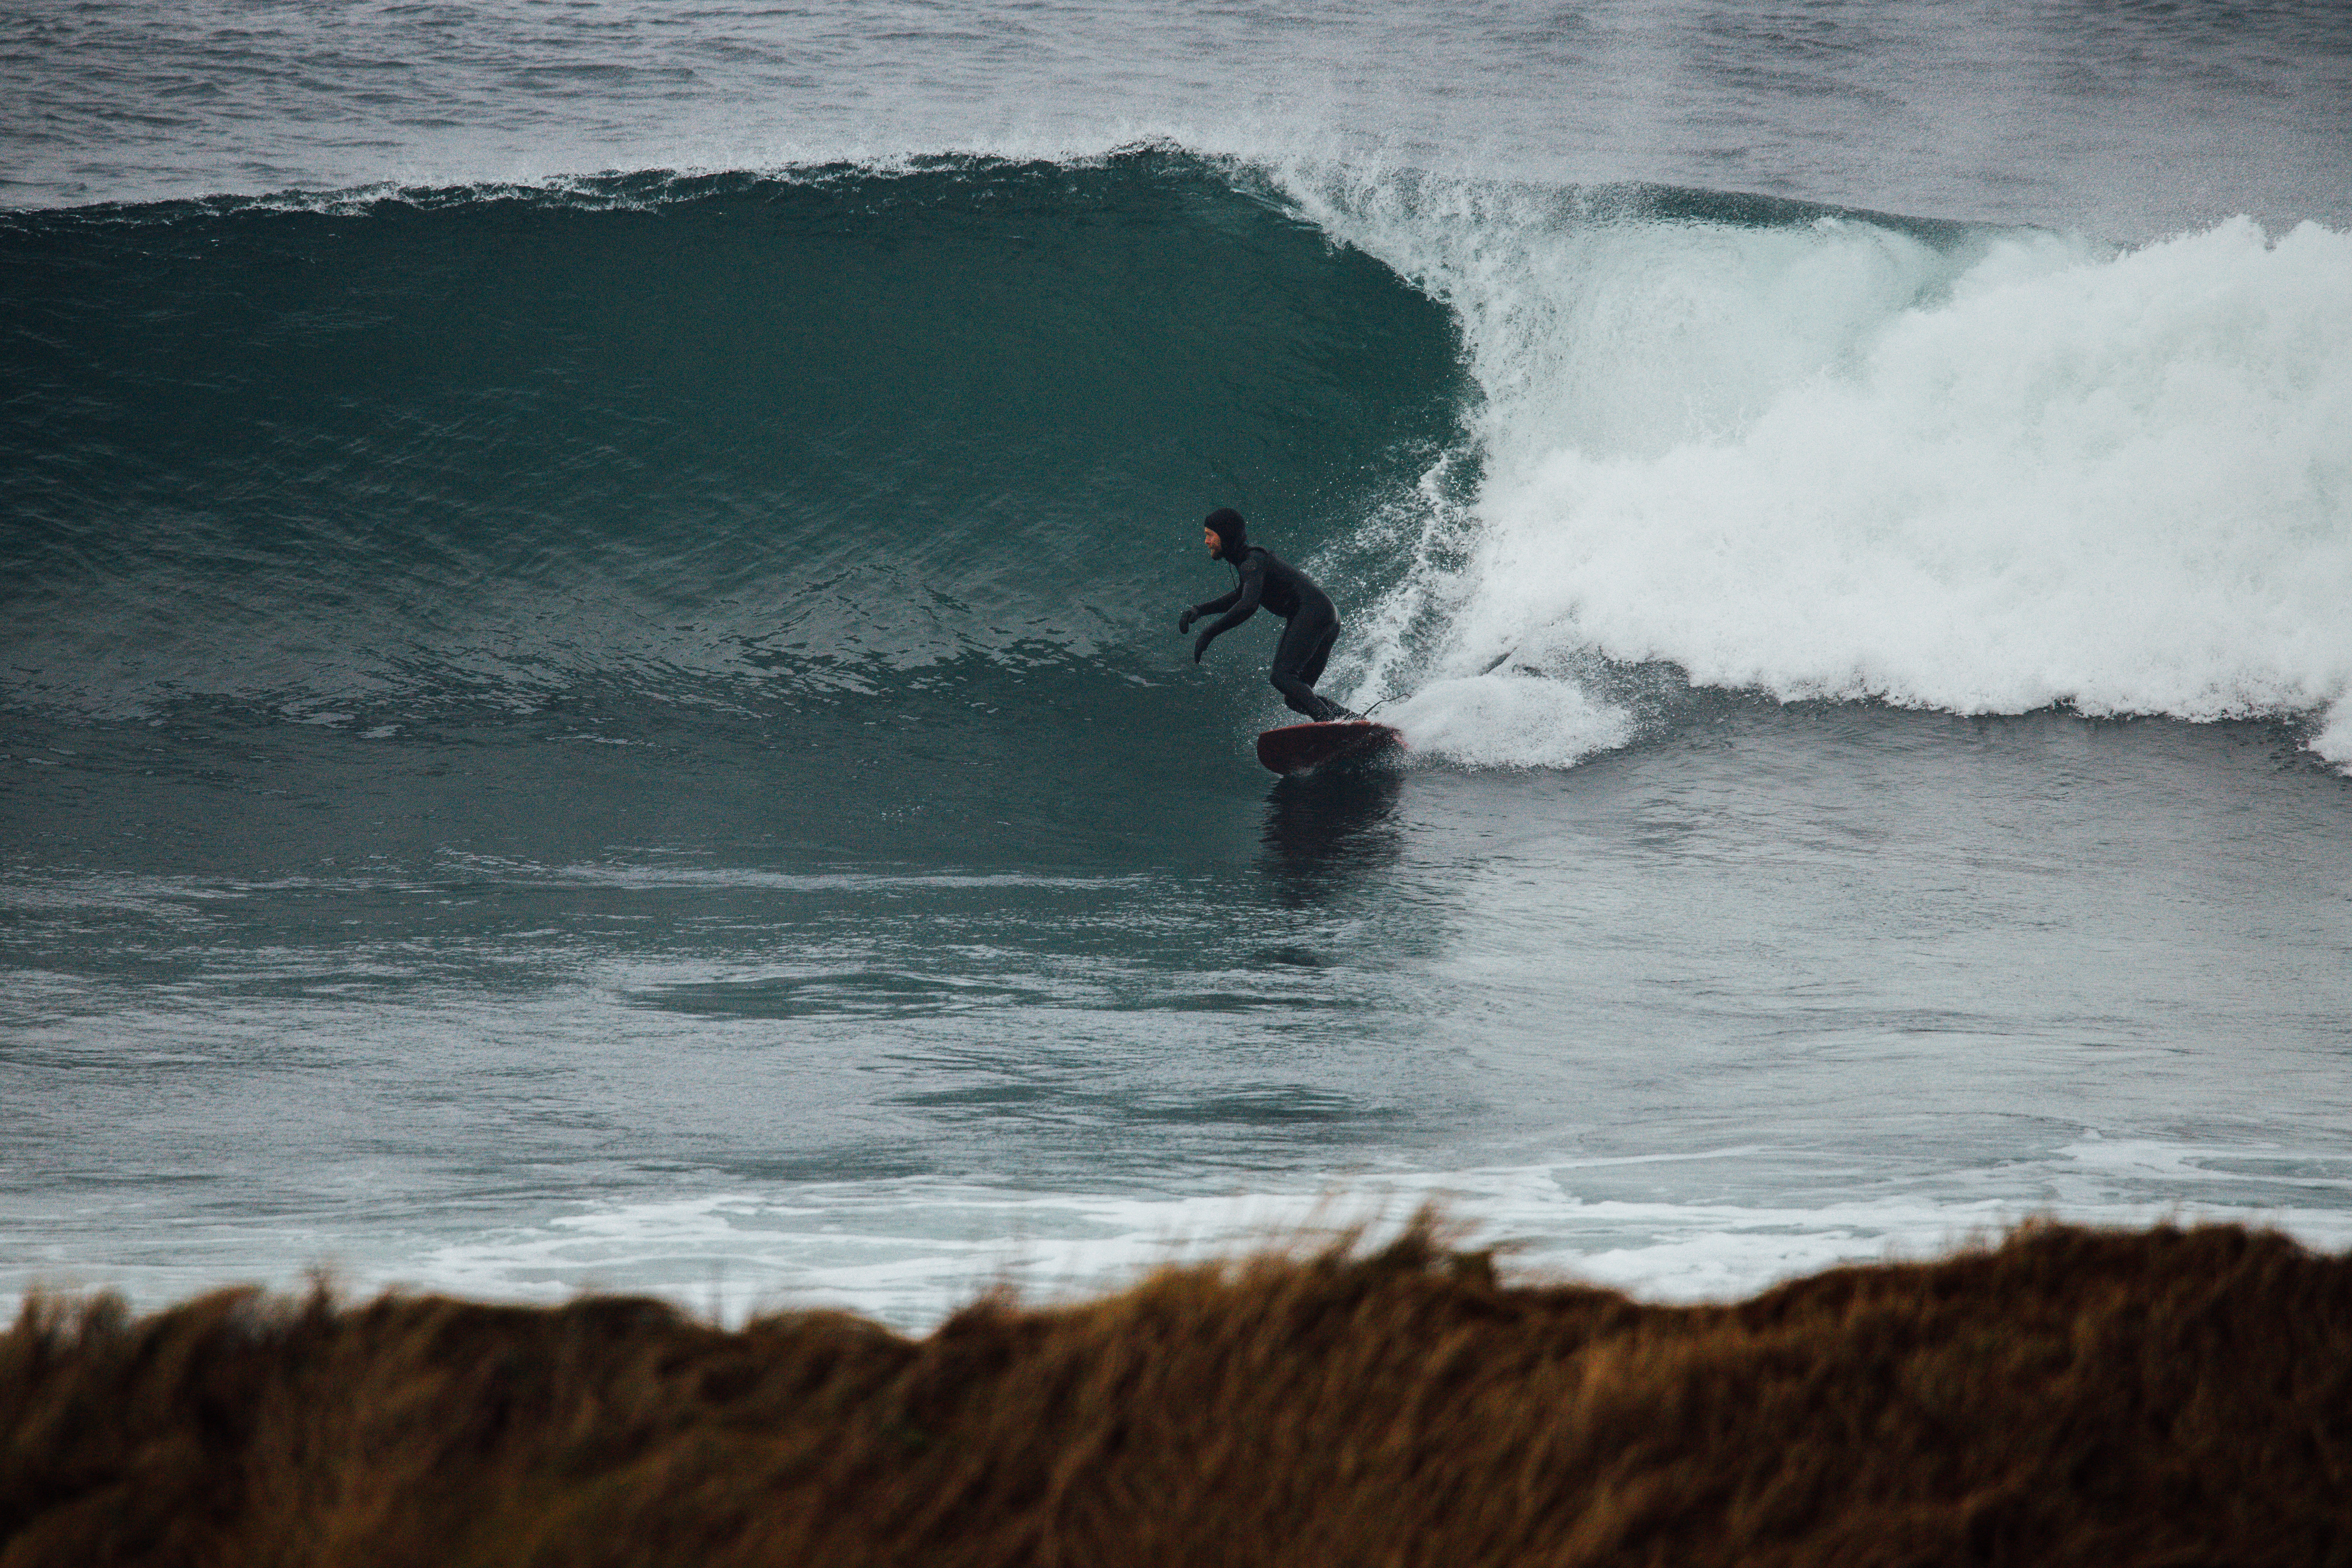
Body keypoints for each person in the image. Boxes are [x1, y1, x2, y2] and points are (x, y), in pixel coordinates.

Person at [1178, 507, 1359, 724]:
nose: (1206, 541)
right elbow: (1240, 596)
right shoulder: (1251, 563)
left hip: (1314, 613)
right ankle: (1353, 722)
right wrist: (1200, 610)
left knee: (1282, 677)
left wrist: (1209, 633)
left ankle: (1328, 724)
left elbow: (1248, 605)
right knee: (1296, 697)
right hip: (1326, 616)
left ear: (1225, 536)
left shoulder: (1252, 561)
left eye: (1210, 535)